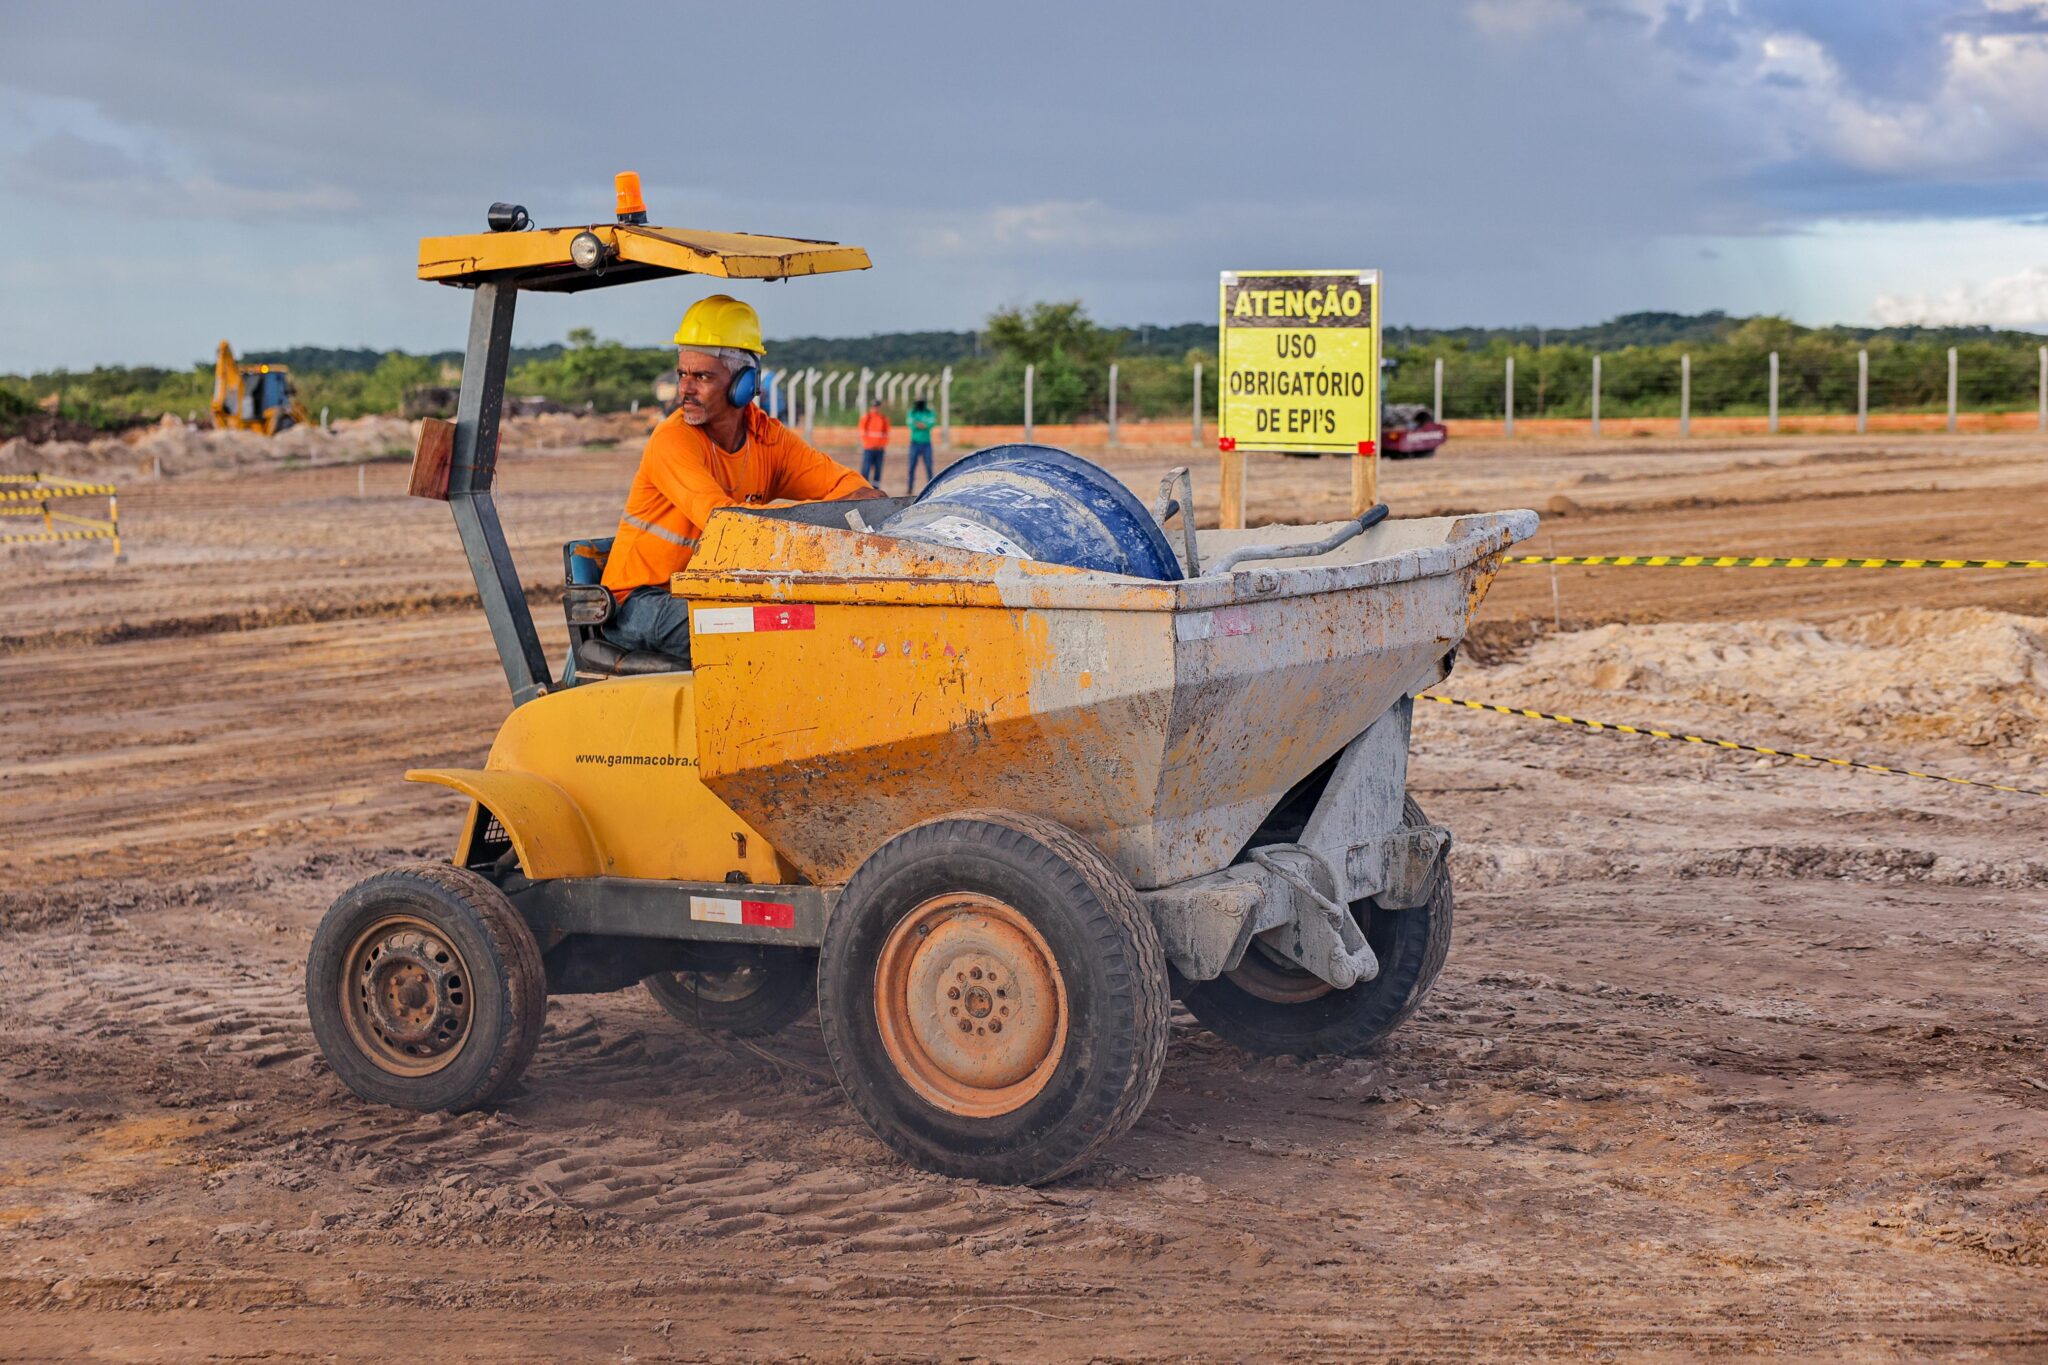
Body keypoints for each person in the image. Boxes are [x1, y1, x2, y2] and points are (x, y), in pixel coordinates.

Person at [601, 294, 884, 664]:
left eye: (702, 376)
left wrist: (860, 508)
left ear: (745, 382)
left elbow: (860, 496)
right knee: (763, 629)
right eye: (682, 374)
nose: (685, 389)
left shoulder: (769, 439)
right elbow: (724, 524)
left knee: (817, 619)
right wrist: (821, 516)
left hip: (705, 590)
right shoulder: (672, 440)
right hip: (639, 601)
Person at [906, 397, 936, 493]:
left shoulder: (929, 412)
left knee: (929, 466)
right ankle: (910, 488)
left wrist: (918, 424)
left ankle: (931, 488)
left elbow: (930, 424)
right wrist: (923, 425)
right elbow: (911, 425)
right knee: (911, 467)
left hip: (926, 444)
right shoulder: (912, 412)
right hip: (914, 443)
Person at [858, 398, 890, 485]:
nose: (875, 408)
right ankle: (864, 487)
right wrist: (868, 443)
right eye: (873, 406)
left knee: (878, 470)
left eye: (877, 407)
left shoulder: (883, 419)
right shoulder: (867, 417)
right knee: (866, 469)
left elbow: (886, 434)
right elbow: (862, 432)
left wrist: (882, 445)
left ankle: (876, 488)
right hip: (869, 449)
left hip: (879, 449)